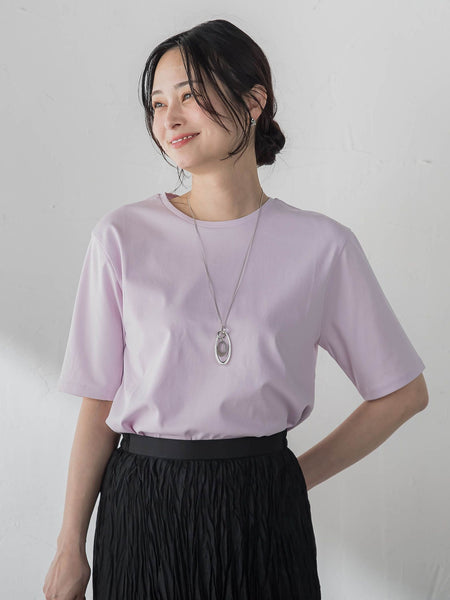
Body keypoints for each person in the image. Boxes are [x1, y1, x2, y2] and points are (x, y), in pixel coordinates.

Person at [42, 18, 428, 600]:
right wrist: (69, 543)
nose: (170, 118)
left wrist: (291, 479)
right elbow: (98, 400)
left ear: (253, 101)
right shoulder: (122, 236)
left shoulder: (322, 246)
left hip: (264, 508)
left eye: (190, 95)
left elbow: (403, 393)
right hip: (142, 505)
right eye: (158, 103)